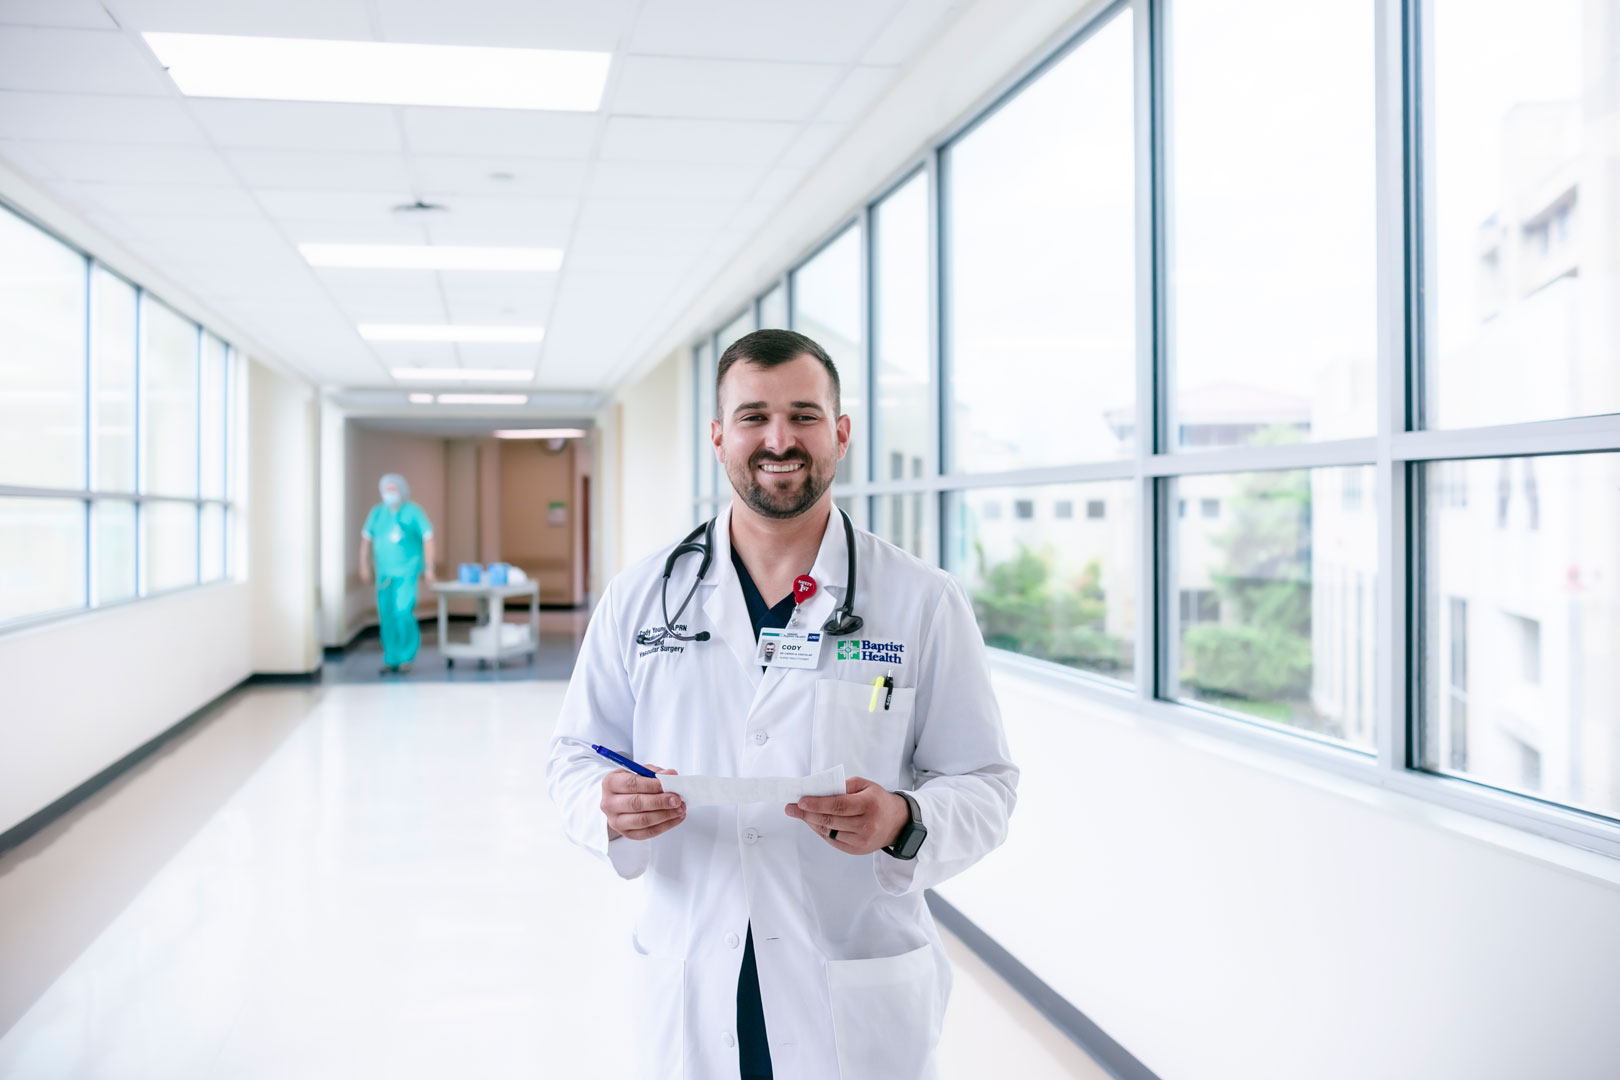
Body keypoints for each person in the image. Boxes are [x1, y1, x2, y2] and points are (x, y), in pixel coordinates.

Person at [547, 329, 1018, 1079]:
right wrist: (603, 804)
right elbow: (573, 756)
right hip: (696, 966)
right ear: (718, 436)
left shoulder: (921, 601)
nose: (778, 439)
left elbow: (986, 782)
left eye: (803, 415)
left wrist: (905, 819)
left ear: (840, 432)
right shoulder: (641, 597)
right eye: (752, 416)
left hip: (849, 974)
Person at [359, 473, 436, 674]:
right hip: (384, 574)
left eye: (394, 489)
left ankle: (406, 656)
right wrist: (363, 566)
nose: (390, 493)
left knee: (403, 611)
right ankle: (391, 658)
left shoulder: (413, 512)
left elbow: (428, 537)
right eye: (387, 489)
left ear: (402, 490)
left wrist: (429, 567)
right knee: (387, 615)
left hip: (406, 573)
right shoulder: (377, 513)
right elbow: (366, 540)